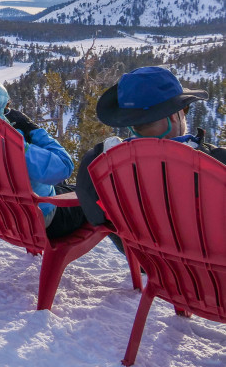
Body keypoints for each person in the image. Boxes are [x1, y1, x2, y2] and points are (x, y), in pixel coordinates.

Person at [75, 66, 226, 251]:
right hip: (215, 271)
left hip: (151, 262)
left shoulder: (99, 162)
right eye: (184, 108)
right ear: (174, 115)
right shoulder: (215, 162)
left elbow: (97, 217)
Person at [0, 74, 86, 239]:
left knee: (61, 186)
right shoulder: (10, 144)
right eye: (5, 108)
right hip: (36, 220)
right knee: (94, 194)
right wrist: (33, 130)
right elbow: (65, 166)